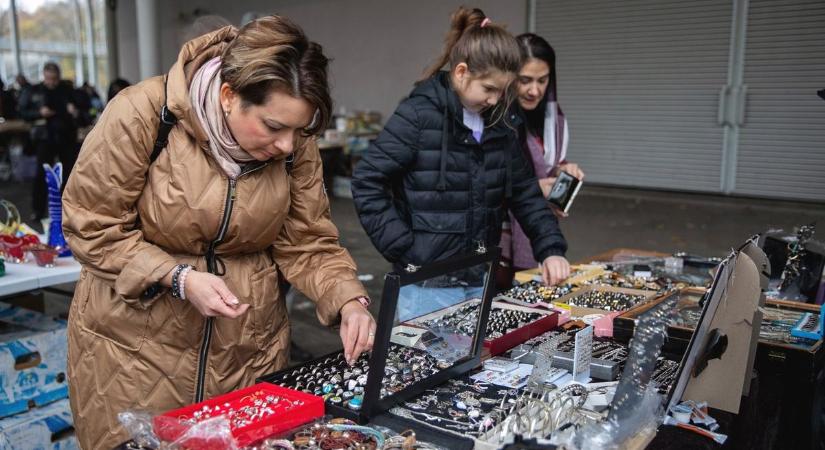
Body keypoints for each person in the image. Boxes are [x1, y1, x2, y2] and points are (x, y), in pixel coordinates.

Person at [61, 16, 376, 449]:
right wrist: (178, 278)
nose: (287, 144)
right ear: (229, 96)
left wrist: (348, 300)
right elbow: (91, 225)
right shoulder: (143, 114)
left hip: (245, 353)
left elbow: (307, 240)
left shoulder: (292, 145)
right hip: (134, 356)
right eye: (272, 126)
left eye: (297, 130)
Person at [352, 7, 570, 320]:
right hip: (425, 284)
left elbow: (524, 191)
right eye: (489, 89)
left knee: (470, 367)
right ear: (461, 72)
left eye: (503, 90)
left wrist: (550, 249)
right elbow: (366, 181)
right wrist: (402, 247)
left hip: (479, 277)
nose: (495, 100)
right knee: (426, 367)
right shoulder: (418, 115)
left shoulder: (500, 122)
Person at [498, 34, 586, 286]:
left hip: (539, 232)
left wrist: (562, 170)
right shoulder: (497, 118)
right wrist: (535, 188)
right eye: (524, 80)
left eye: (542, 80)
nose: (534, 90)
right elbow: (486, 182)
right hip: (501, 239)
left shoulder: (553, 116)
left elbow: (547, 162)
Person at [17, 62, 78, 220]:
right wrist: (39, 112)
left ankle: (69, 211)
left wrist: (74, 110)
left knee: (69, 175)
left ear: (59, 77)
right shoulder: (34, 91)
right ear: (44, 76)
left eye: (55, 79)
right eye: (49, 78)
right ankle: (38, 210)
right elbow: (23, 112)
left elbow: (83, 108)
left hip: (66, 137)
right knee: (42, 174)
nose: (52, 82)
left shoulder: (67, 90)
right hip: (45, 138)